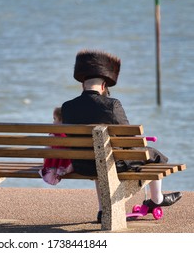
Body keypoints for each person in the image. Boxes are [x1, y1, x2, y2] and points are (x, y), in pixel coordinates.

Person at [61, 49, 182, 223]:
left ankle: (103, 210)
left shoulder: (67, 107)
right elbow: (131, 139)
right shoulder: (112, 104)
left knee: (98, 156)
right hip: (111, 164)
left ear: (83, 85)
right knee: (154, 155)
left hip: (82, 165)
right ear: (103, 86)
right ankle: (157, 199)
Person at [39, 107, 73, 185]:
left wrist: (45, 163)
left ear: (61, 120)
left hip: (56, 166)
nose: (53, 122)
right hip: (68, 167)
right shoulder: (70, 134)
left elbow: (46, 152)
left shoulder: (53, 134)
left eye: (54, 119)